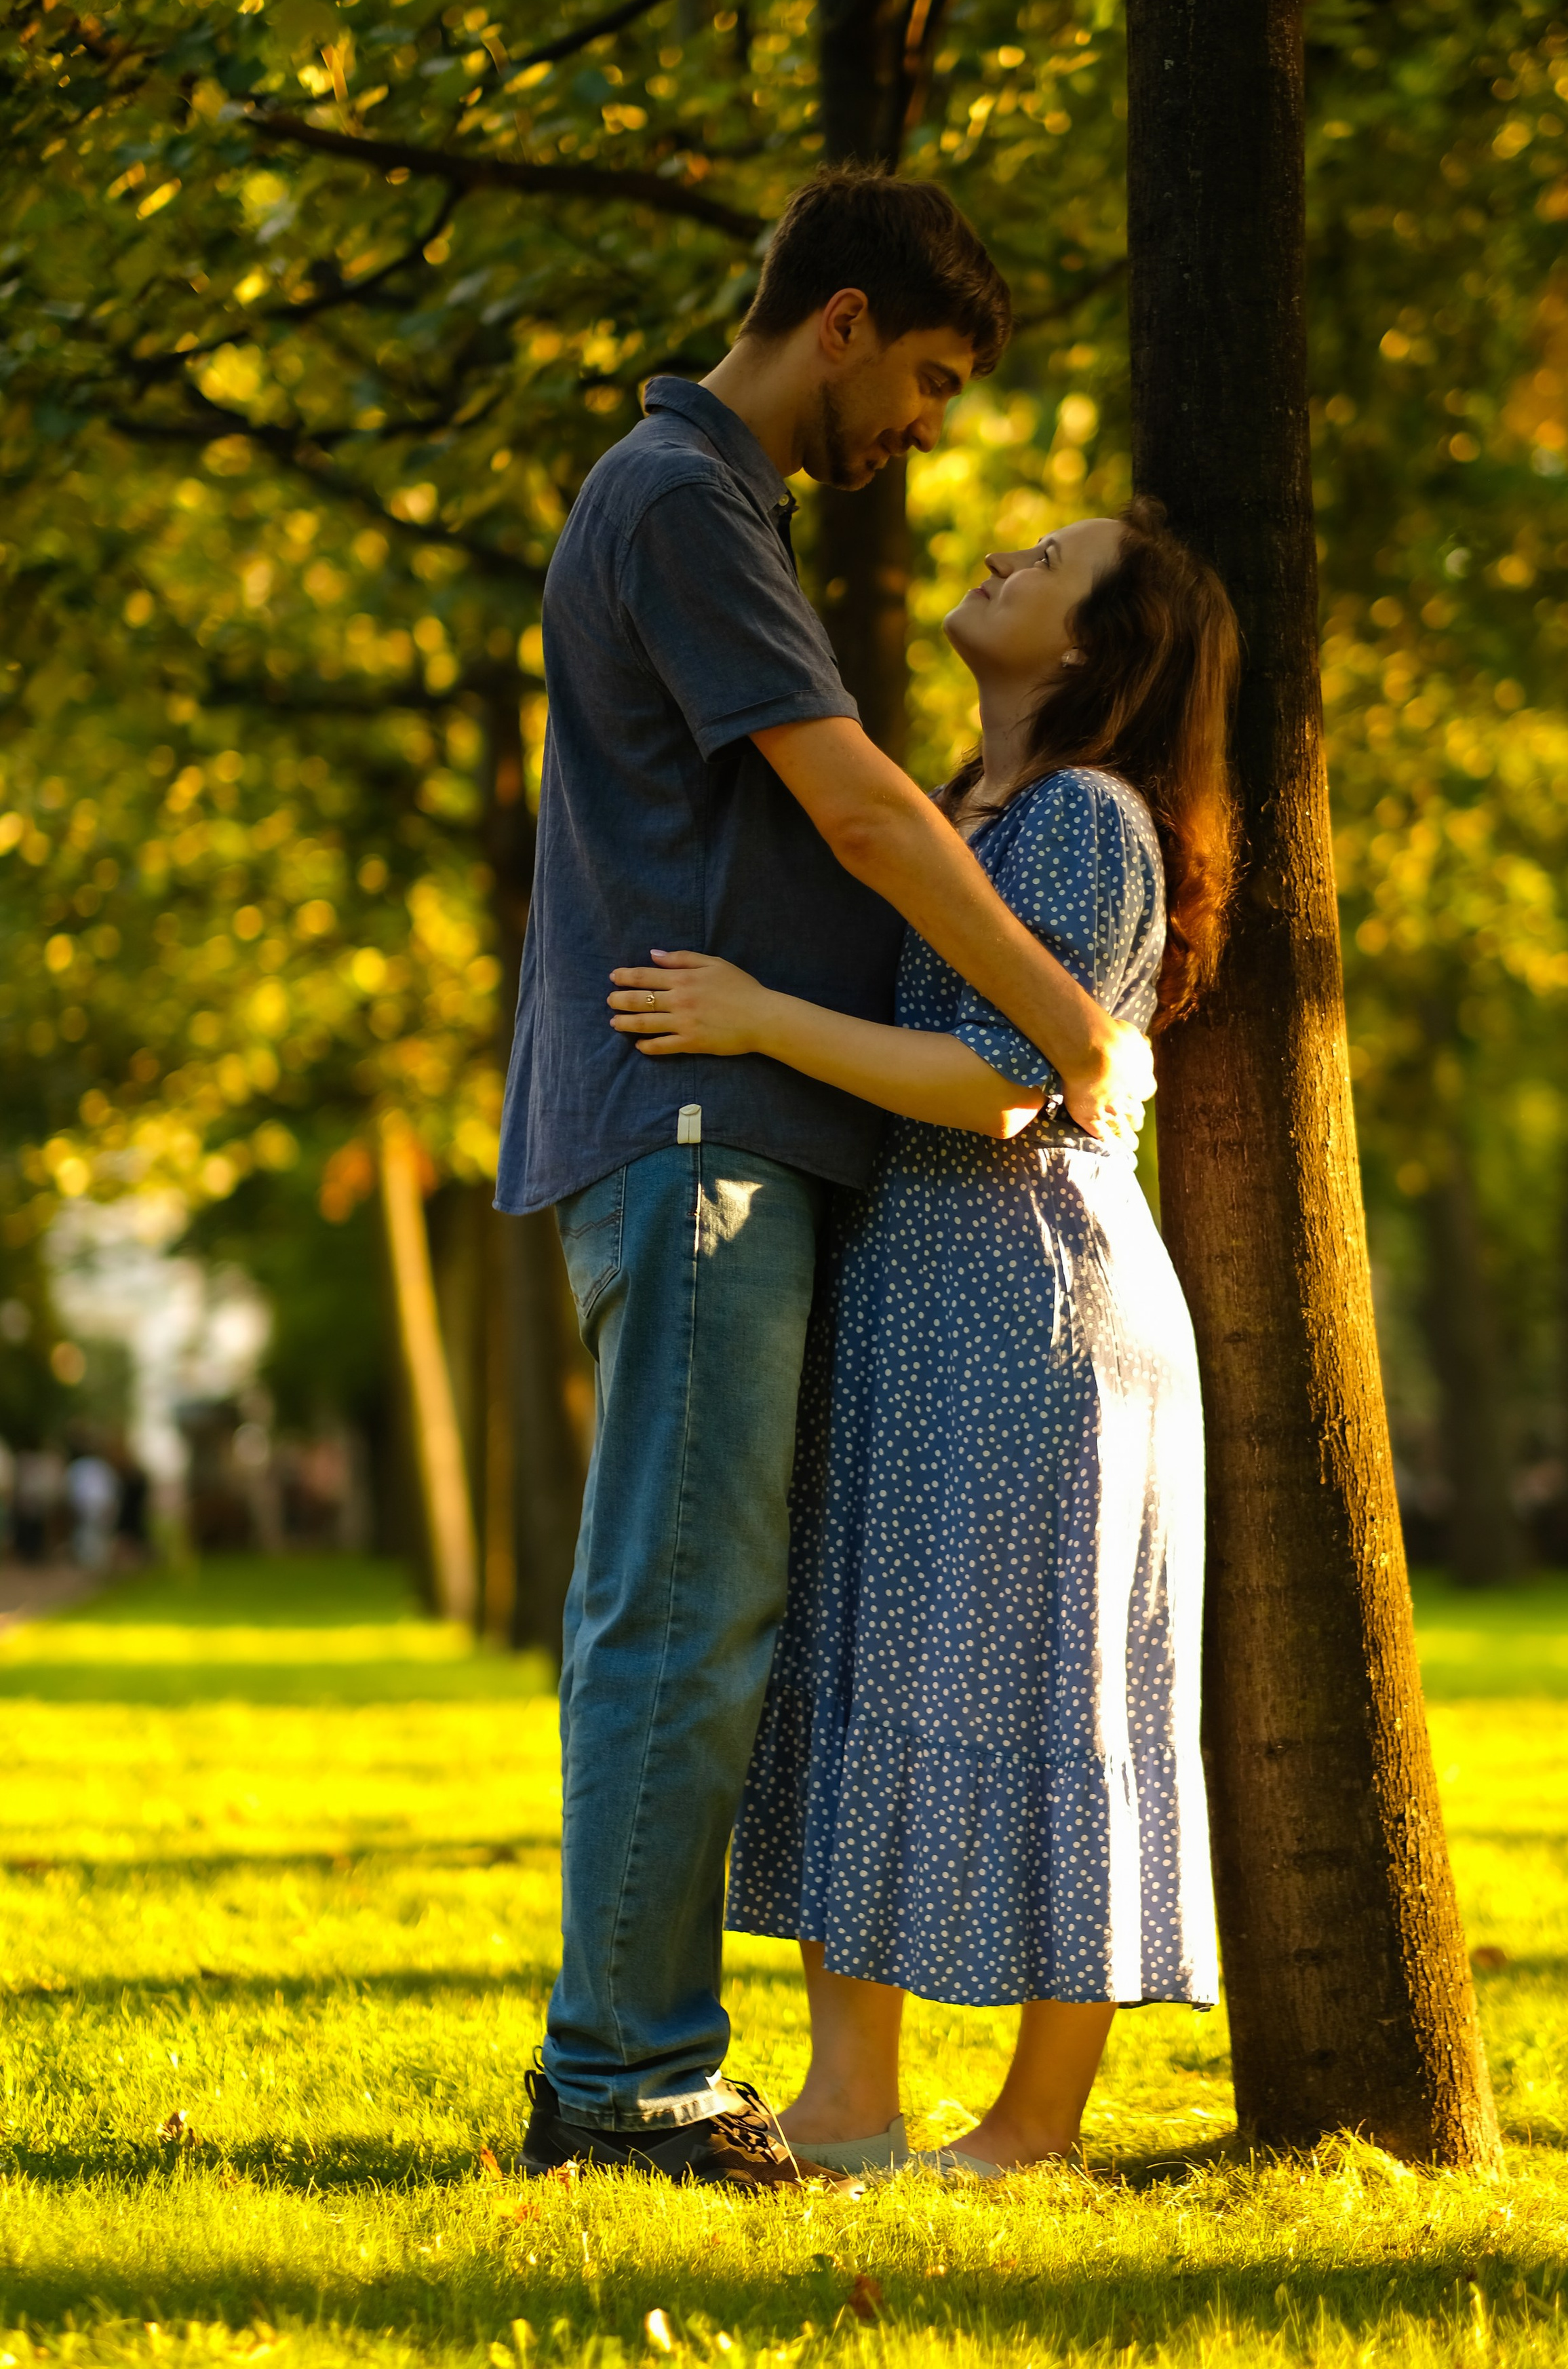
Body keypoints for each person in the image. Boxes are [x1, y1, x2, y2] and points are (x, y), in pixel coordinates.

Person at [496, 167, 1157, 2193]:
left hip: (715, 1137)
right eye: (937, 377)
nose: (934, 432)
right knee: (683, 1616)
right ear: (846, 323)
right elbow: (865, 814)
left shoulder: (710, 505)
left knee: (691, 1609)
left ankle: (626, 2067)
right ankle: (623, 2085)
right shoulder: (688, 497)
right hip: (695, 1144)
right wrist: (1077, 1031)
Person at [610, 500, 1239, 2178]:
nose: (1006, 559)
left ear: (1101, 647)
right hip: (913, 1278)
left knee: (1058, 1690)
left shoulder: (1086, 818)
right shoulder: (959, 803)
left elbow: (998, 1085)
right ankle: (850, 2102)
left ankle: (1033, 2127)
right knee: (862, 1662)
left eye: (1052, 564)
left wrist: (754, 1019)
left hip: (1035, 1299)